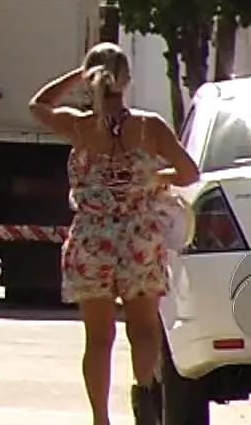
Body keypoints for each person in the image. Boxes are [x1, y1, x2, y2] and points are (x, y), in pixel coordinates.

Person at [30, 43, 202, 425]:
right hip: (139, 236)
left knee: (98, 338)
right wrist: (156, 177)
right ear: (126, 80)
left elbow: (37, 105)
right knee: (143, 330)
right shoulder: (149, 127)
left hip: (93, 238)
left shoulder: (79, 125)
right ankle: (145, 397)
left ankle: (100, 419)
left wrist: (79, 73)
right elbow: (189, 173)